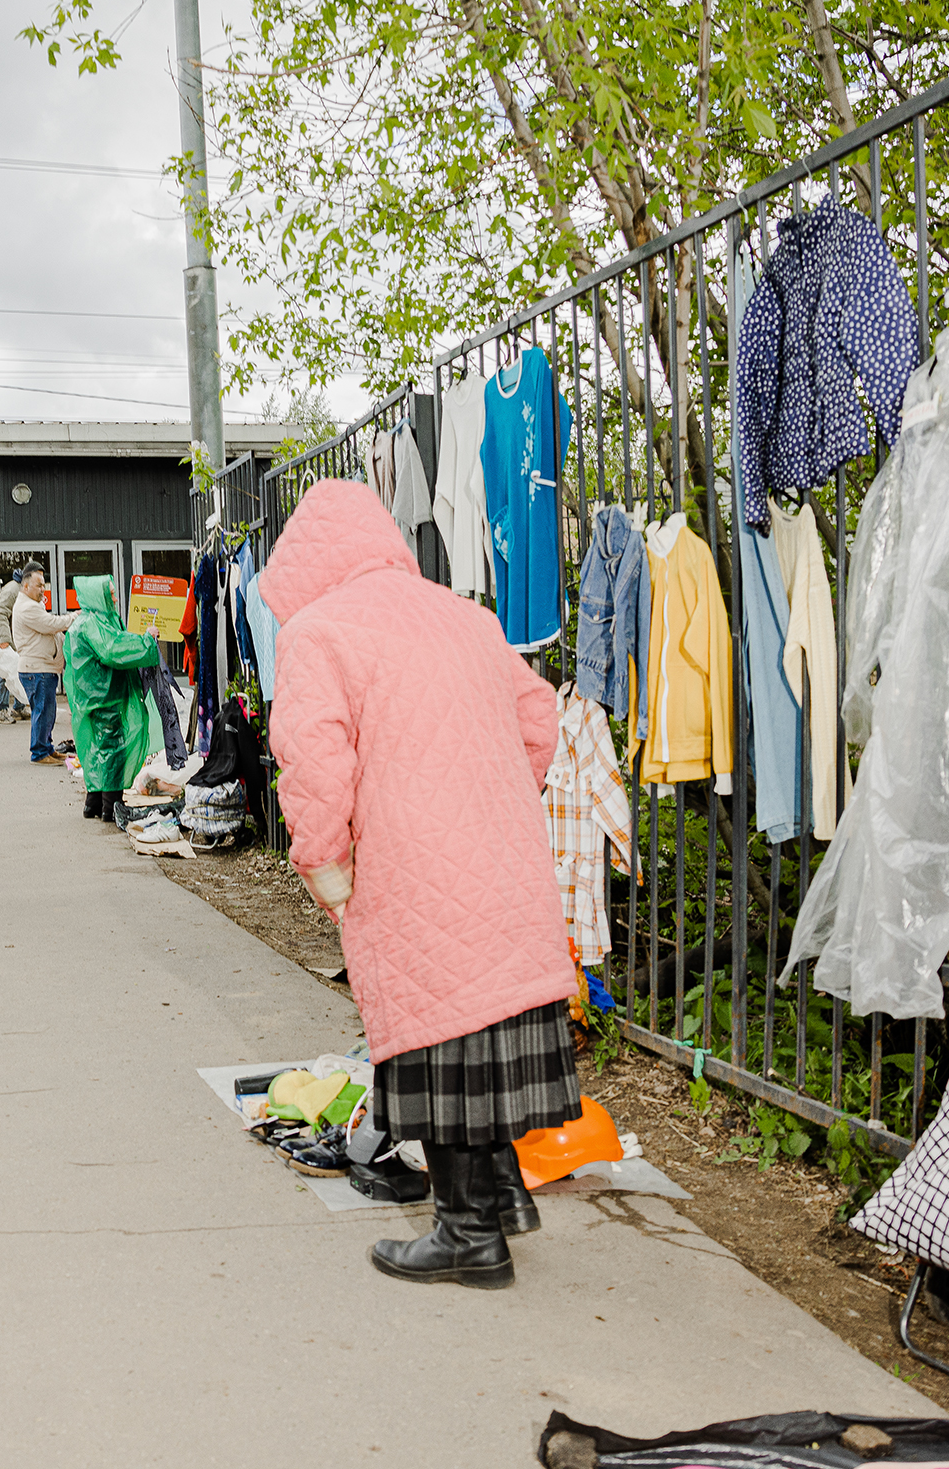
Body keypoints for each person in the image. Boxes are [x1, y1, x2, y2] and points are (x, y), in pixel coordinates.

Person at [261, 479, 576, 1291]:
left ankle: (467, 1234)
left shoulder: (317, 633)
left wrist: (325, 864)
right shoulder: (466, 615)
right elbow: (539, 718)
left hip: (411, 865)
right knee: (492, 1022)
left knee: (437, 1038)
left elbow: (314, 765)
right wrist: (491, 799)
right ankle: (504, 1197)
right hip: (501, 858)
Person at [61, 575, 159, 817]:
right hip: (107, 696)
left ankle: (92, 802)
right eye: (111, 593)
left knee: (95, 749)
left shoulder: (83, 622)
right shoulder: (95, 624)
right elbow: (114, 649)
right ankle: (111, 806)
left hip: (87, 699)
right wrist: (147, 640)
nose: (114, 597)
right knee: (113, 750)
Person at [10, 570, 75, 766]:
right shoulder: (26, 607)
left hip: (43, 667)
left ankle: (47, 748)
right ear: (26, 586)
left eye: (44, 584)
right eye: (39, 585)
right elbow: (51, 624)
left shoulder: (32, 605)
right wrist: (75, 617)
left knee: (47, 711)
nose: (42, 589)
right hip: (37, 668)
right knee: (42, 711)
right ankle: (39, 753)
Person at [0, 570, 26, 722]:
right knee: (5, 672)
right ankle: (0, 709)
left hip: (12, 636)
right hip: (3, 637)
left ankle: (18, 707)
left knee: (18, 671)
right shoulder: (13, 590)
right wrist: (4, 640)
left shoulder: (18, 589)